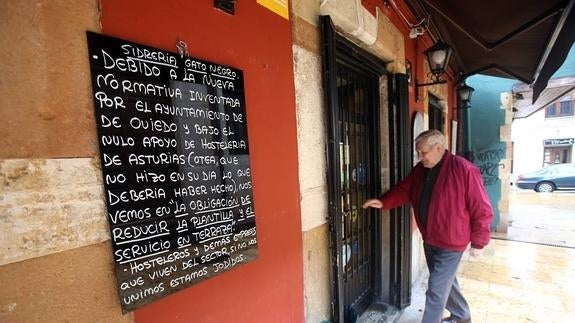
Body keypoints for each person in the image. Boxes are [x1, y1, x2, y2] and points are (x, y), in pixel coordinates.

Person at [363, 129, 493, 323]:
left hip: (451, 243)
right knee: (445, 282)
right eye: (418, 152)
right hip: (430, 238)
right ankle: (462, 316)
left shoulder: (464, 169)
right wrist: (384, 202)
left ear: (438, 148)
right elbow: (406, 189)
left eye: (423, 152)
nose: (419, 157)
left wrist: (479, 242)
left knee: (435, 290)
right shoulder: (421, 170)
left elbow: (481, 207)